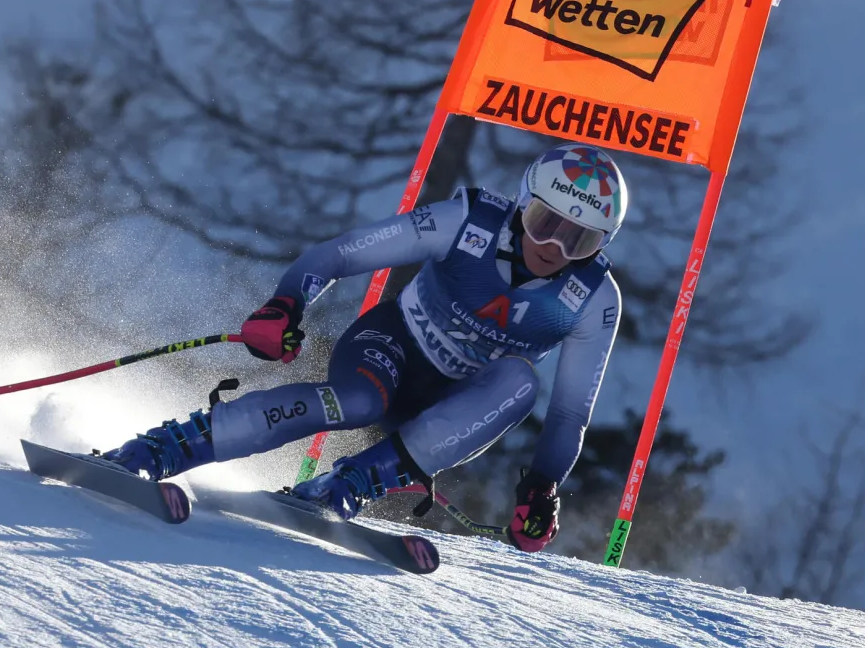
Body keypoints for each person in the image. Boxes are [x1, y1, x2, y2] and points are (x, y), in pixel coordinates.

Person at [97, 141, 627, 553]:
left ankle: (347, 484)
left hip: (450, 408)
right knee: (357, 402)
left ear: (599, 247)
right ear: (521, 205)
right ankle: (167, 447)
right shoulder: (467, 222)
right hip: (391, 348)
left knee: (522, 384)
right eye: (544, 224)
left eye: (577, 241)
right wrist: (285, 306)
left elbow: (569, 413)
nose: (552, 249)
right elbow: (341, 254)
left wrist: (541, 487)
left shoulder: (594, 299)